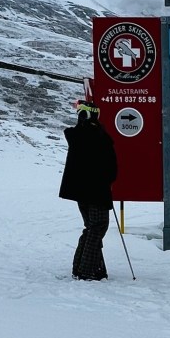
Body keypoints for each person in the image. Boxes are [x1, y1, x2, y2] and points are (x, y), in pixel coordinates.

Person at [59, 100, 118, 280]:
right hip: (97, 190)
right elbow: (110, 167)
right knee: (97, 227)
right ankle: (87, 269)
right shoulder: (99, 137)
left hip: (80, 191)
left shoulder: (76, 135)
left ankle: (83, 267)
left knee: (92, 227)